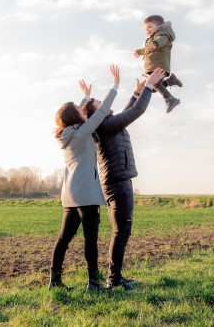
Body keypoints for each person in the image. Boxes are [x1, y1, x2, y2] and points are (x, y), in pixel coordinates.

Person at [81, 68, 165, 291]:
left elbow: (126, 112)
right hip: (118, 182)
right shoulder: (105, 125)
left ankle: (115, 277)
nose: (107, 104)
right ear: (95, 114)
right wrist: (149, 87)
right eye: (101, 103)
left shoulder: (107, 124)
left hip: (116, 180)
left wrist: (136, 93)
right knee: (121, 231)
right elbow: (136, 112)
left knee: (121, 230)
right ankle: (114, 279)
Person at [48, 65, 120, 293]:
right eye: (79, 111)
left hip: (70, 195)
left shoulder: (66, 133)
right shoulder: (81, 132)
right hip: (87, 193)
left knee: (63, 239)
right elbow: (100, 113)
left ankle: (55, 281)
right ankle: (93, 284)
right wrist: (115, 86)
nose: (82, 111)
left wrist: (86, 96)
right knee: (91, 239)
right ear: (75, 117)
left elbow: (73, 112)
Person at [134, 14, 183, 113]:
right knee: (150, 89)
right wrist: (139, 52)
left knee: (153, 84)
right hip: (153, 66)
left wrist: (155, 43)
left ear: (159, 26)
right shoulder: (153, 38)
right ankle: (171, 81)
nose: (147, 30)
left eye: (149, 27)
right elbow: (149, 49)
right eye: (146, 28)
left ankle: (169, 99)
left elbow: (161, 41)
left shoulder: (162, 34)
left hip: (158, 65)